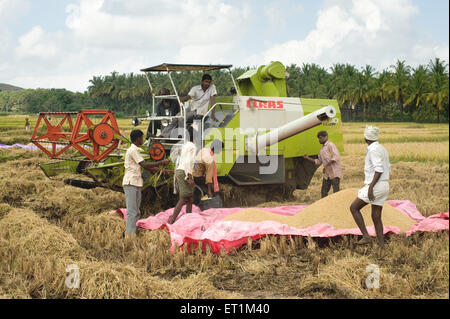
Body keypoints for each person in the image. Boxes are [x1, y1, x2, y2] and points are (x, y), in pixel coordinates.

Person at [123, 129, 171, 238]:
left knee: (136, 211)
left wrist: (164, 171)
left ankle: (132, 232)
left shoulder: (137, 150)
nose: (142, 139)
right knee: (131, 211)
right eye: (141, 137)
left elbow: (148, 167)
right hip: (130, 183)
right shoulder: (132, 150)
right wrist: (161, 162)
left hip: (136, 183)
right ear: (138, 138)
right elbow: (145, 165)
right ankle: (129, 236)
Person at [350, 126, 390, 249]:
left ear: (365, 138)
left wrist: (371, 188)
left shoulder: (373, 150)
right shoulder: (381, 148)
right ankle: (382, 246)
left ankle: (366, 236)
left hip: (376, 185)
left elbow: (379, 169)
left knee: (354, 208)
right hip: (384, 185)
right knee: (376, 216)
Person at [304, 131, 342, 198]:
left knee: (336, 191)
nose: (319, 140)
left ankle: (337, 205)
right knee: (324, 191)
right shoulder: (322, 149)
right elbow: (319, 161)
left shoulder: (330, 145)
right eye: (319, 138)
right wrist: (307, 158)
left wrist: (326, 166)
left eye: (321, 138)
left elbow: (336, 157)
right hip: (327, 173)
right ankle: (325, 206)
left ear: (326, 137)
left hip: (334, 172)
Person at [169, 142, 197, 224]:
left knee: (190, 198)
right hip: (184, 172)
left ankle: (188, 218)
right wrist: (190, 178)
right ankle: (171, 221)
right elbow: (188, 163)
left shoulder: (185, 147)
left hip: (180, 171)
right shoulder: (192, 148)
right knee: (183, 198)